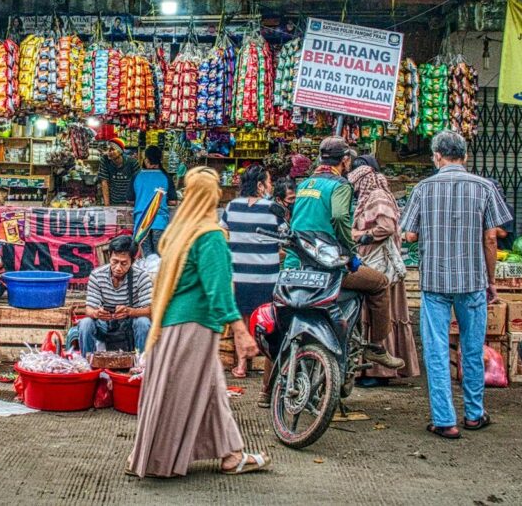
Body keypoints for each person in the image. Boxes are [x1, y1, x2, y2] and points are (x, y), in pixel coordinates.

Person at [128, 167, 270, 478]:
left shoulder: (177, 233)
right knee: (185, 391)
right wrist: (240, 329)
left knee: (208, 389)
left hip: (168, 325)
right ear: (211, 196)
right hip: (193, 326)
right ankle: (157, 460)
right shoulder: (210, 236)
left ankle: (231, 454)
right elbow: (218, 289)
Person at [401, 130, 512, 440]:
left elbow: (408, 234)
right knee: (472, 349)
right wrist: (491, 280)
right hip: (473, 281)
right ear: (465, 156)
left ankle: (445, 420)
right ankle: (475, 415)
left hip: (435, 281)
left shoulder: (424, 188)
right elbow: (492, 237)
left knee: (436, 351)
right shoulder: (484, 187)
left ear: (437, 156)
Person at [287, 137, 405, 371]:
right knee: (380, 283)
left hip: (298, 263)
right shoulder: (340, 185)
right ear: (345, 160)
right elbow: (341, 217)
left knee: (285, 319)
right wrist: (350, 252)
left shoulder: (305, 185)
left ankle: (266, 390)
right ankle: (377, 347)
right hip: (329, 265)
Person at [349, 162, 420, 383]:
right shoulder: (371, 197)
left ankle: (380, 372)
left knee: (382, 313)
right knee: (374, 313)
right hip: (373, 261)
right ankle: (369, 370)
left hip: (381, 265)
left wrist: (360, 235)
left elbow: (386, 227)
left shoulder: (377, 196)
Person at [220, 164, 286, 385]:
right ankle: (268, 365)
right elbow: (286, 239)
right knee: (268, 320)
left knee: (243, 319)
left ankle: (240, 365)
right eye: (268, 182)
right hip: (266, 277)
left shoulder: (232, 206)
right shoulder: (273, 209)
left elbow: (224, 232)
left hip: (239, 276)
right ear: (260, 185)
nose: (270, 186)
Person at [79, 235, 153, 354]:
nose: (118, 268)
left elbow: (150, 310)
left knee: (143, 322)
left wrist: (130, 312)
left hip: (130, 327)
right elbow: (89, 310)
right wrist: (97, 313)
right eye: (115, 261)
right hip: (105, 326)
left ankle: (141, 364)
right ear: (110, 256)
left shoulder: (141, 277)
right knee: (86, 323)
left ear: (132, 261)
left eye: (124, 263)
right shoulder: (97, 275)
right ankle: (87, 363)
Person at [132, 145, 177, 257]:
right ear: (160, 160)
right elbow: (173, 202)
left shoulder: (137, 176)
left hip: (141, 223)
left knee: (146, 259)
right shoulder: (166, 177)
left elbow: (129, 199)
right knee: (160, 259)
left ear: (146, 160)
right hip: (160, 223)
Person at [99, 137, 140, 206]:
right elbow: (104, 182)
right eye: (108, 149)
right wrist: (107, 206)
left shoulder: (132, 162)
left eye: (112, 149)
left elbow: (138, 183)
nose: (109, 152)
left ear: (120, 151)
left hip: (129, 202)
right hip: (113, 202)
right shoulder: (105, 160)